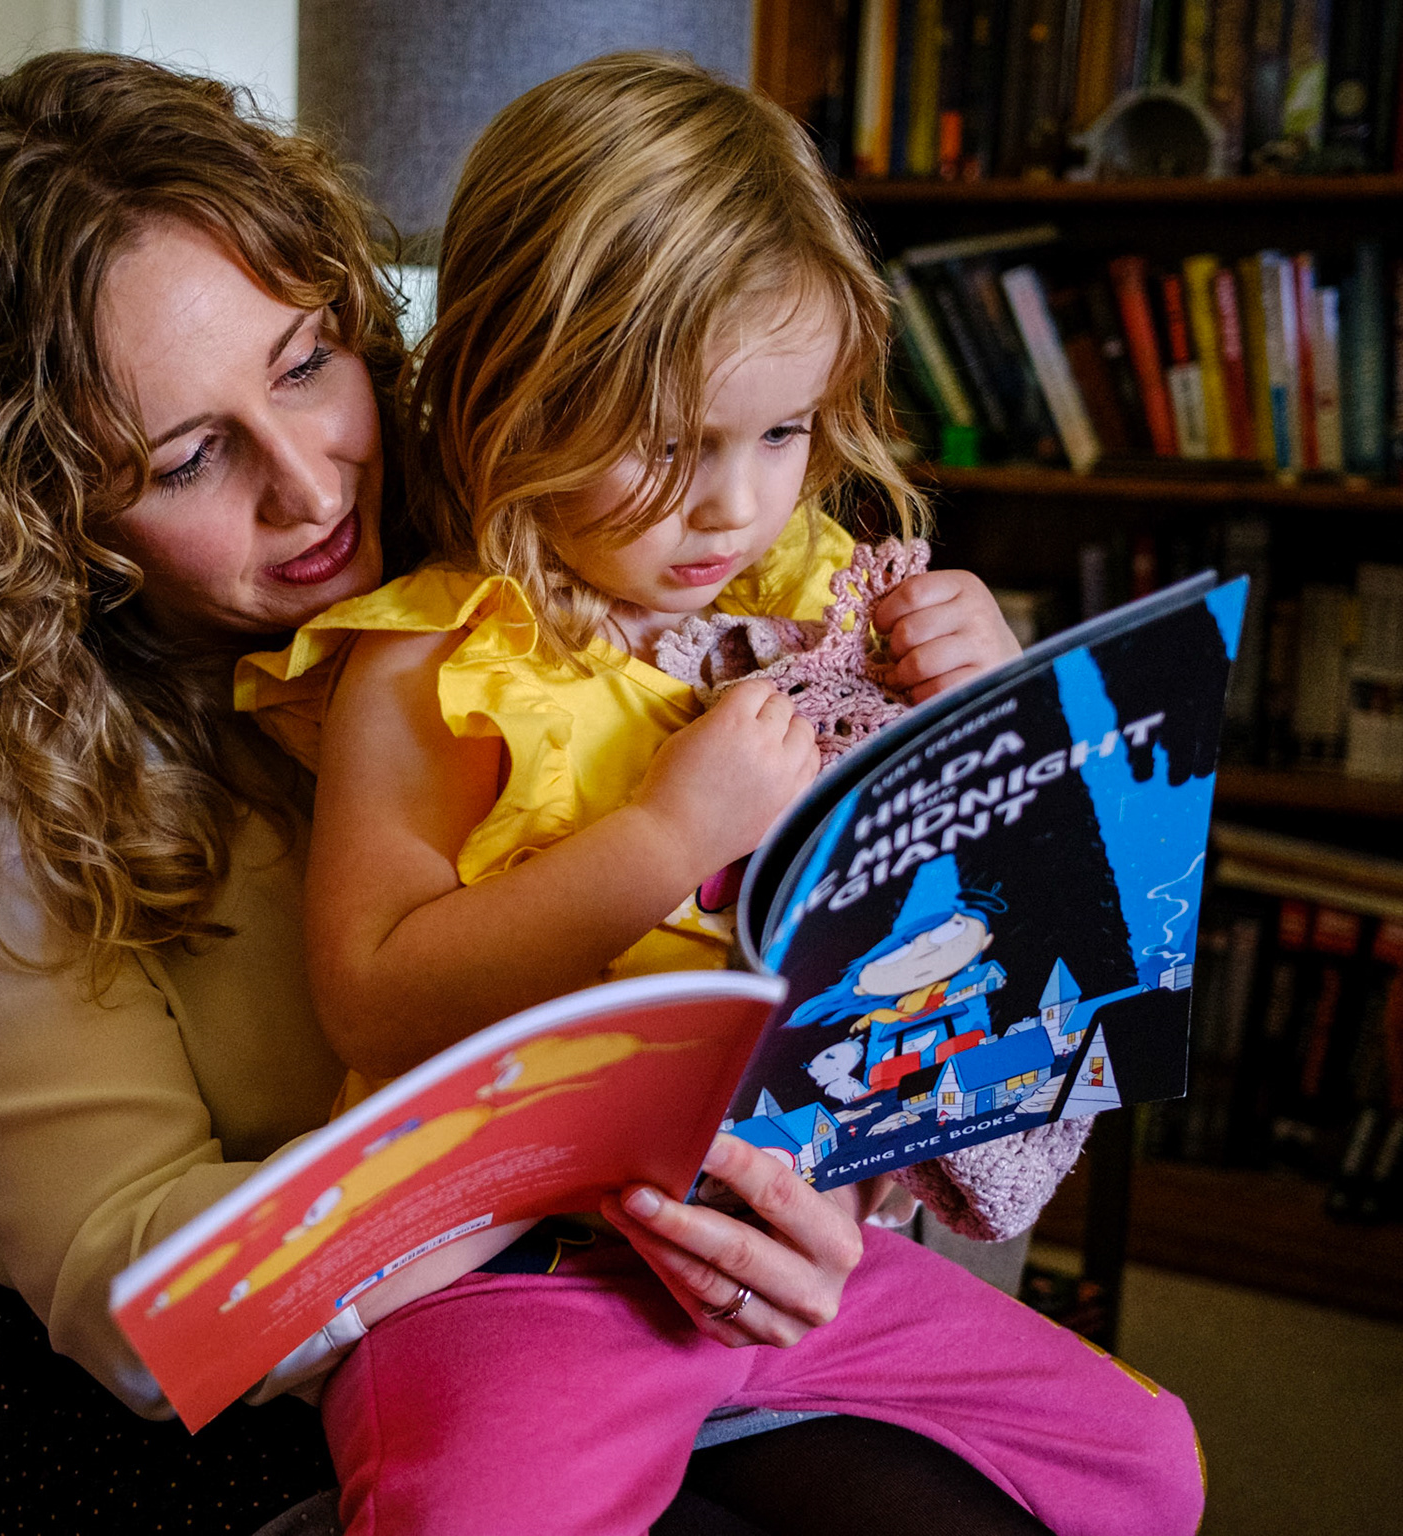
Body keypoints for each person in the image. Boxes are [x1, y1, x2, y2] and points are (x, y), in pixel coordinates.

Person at [0, 49, 1054, 1536]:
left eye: (305, 363)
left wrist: (814, 1183)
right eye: (188, 459)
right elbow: (144, 1302)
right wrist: (610, 1148)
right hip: (100, 1384)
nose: (315, 489)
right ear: (30, 519)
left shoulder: (536, 522)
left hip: (532, 1274)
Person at [239, 54, 1205, 1536]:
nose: (734, 505)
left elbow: (973, 895)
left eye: (781, 431)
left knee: (1144, 1462)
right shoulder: (434, 659)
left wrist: (996, 698)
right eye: (668, 440)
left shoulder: (814, 602)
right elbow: (371, 997)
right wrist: (666, 837)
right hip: (525, 1275)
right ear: (512, 391)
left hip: (790, 1249)